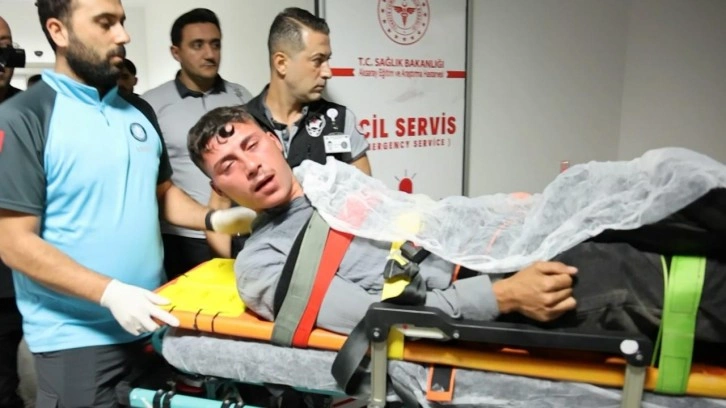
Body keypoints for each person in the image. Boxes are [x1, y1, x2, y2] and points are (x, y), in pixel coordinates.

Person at [187, 105, 726, 346]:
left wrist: (503, 209)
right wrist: (504, 296)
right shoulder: (264, 262)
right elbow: (376, 320)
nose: (250, 165)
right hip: (492, 281)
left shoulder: (328, 180)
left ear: (274, 141)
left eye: (251, 144)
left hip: (498, 238)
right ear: (219, 186)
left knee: (656, 193)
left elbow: (420, 215)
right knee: (647, 275)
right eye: (228, 164)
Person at [0, 1, 255, 406]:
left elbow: (161, 194)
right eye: (105, 24)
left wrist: (213, 219)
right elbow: (14, 243)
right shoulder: (24, 116)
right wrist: (111, 293)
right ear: (58, 31)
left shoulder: (138, 110)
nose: (123, 36)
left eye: (122, 22)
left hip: (152, 322)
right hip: (77, 343)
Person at [207, 7, 372, 258]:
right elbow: (218, 212)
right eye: (318, 60)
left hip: (326, 266)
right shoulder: (239, 127)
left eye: (328, 60)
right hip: (261, 266)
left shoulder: (340, 121)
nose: (327, 72)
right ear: (282, 63)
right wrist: (234, 267)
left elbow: (367, 202)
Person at [142, 8, 254, 280]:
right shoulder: (152, 104)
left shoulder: (242, 97)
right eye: (197, 45)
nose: (209, 54)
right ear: (176, 52)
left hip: (238, 232)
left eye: (215, 44)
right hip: (183, 238)